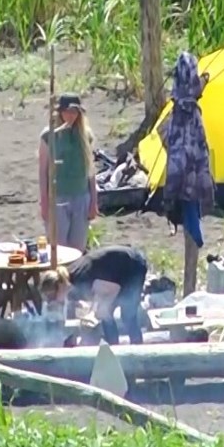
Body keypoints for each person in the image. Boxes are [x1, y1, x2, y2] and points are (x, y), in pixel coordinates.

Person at [39, 93, 98, 250]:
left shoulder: (86, 135)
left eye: (74, 111)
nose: (71, 115)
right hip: (57, 197)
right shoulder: (48, 136)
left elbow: (90, 169)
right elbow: (43, 171)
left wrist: (94, 200)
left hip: (81, 196)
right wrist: (44, 201)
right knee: (58, 248)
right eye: (67, 111)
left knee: (77, 248)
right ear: (60, 112)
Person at [65, 245, 149, 345]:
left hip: (133, 266)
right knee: (106, 315)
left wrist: (103, 306)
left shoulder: (81, 278)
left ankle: (138, 351)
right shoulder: (69, 274)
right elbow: (100, 289)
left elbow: (113, 289)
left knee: (128, 315)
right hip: (115, 273)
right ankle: (113, 348)